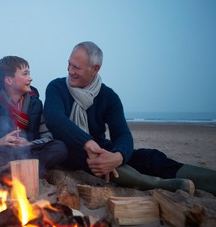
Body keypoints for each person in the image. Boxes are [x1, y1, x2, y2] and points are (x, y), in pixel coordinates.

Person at [44, 41, 216, 195]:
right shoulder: (57, 87)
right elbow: (55, 118)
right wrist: (88, 144)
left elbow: (123, 135)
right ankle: (157, 185)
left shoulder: (109, 97)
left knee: (150, 157)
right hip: (70, 149)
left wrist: (118, 156)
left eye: (76, 67)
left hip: (102, 150)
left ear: (95, 69)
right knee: (92, 157)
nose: (70, 71)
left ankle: (208, 181)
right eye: (69, 64)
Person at [0, 56, 68, 176]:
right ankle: (19, 169)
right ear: (9, 80)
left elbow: (47, 136)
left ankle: (16, 169)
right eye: (25, 74)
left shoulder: (36, 104)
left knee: (60, 147)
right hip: (3, 152)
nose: (30, 78)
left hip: (29, 151)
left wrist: (29, 144)